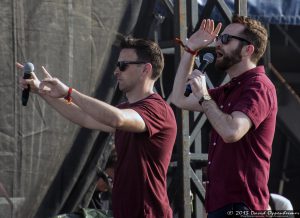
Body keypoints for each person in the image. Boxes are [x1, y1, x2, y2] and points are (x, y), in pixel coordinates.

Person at [18, 37, 177, 218]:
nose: (116, 71)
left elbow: (117, 119)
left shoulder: (157, 109)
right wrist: (42, 92)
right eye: (117, 65)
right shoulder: (127, 109)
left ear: (145, 69)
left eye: (123, 65)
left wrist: (69, 92)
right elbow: (85, 117)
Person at [171, 15, 277, 217]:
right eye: (220, 38)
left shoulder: (259, 87)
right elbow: (179, 98)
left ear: (248, 49)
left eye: (226, 39)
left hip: (242, 205)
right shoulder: (229, 89)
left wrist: (203, 96)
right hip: (221, 204)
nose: (218, 43)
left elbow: (231, 131)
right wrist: (191, 50)